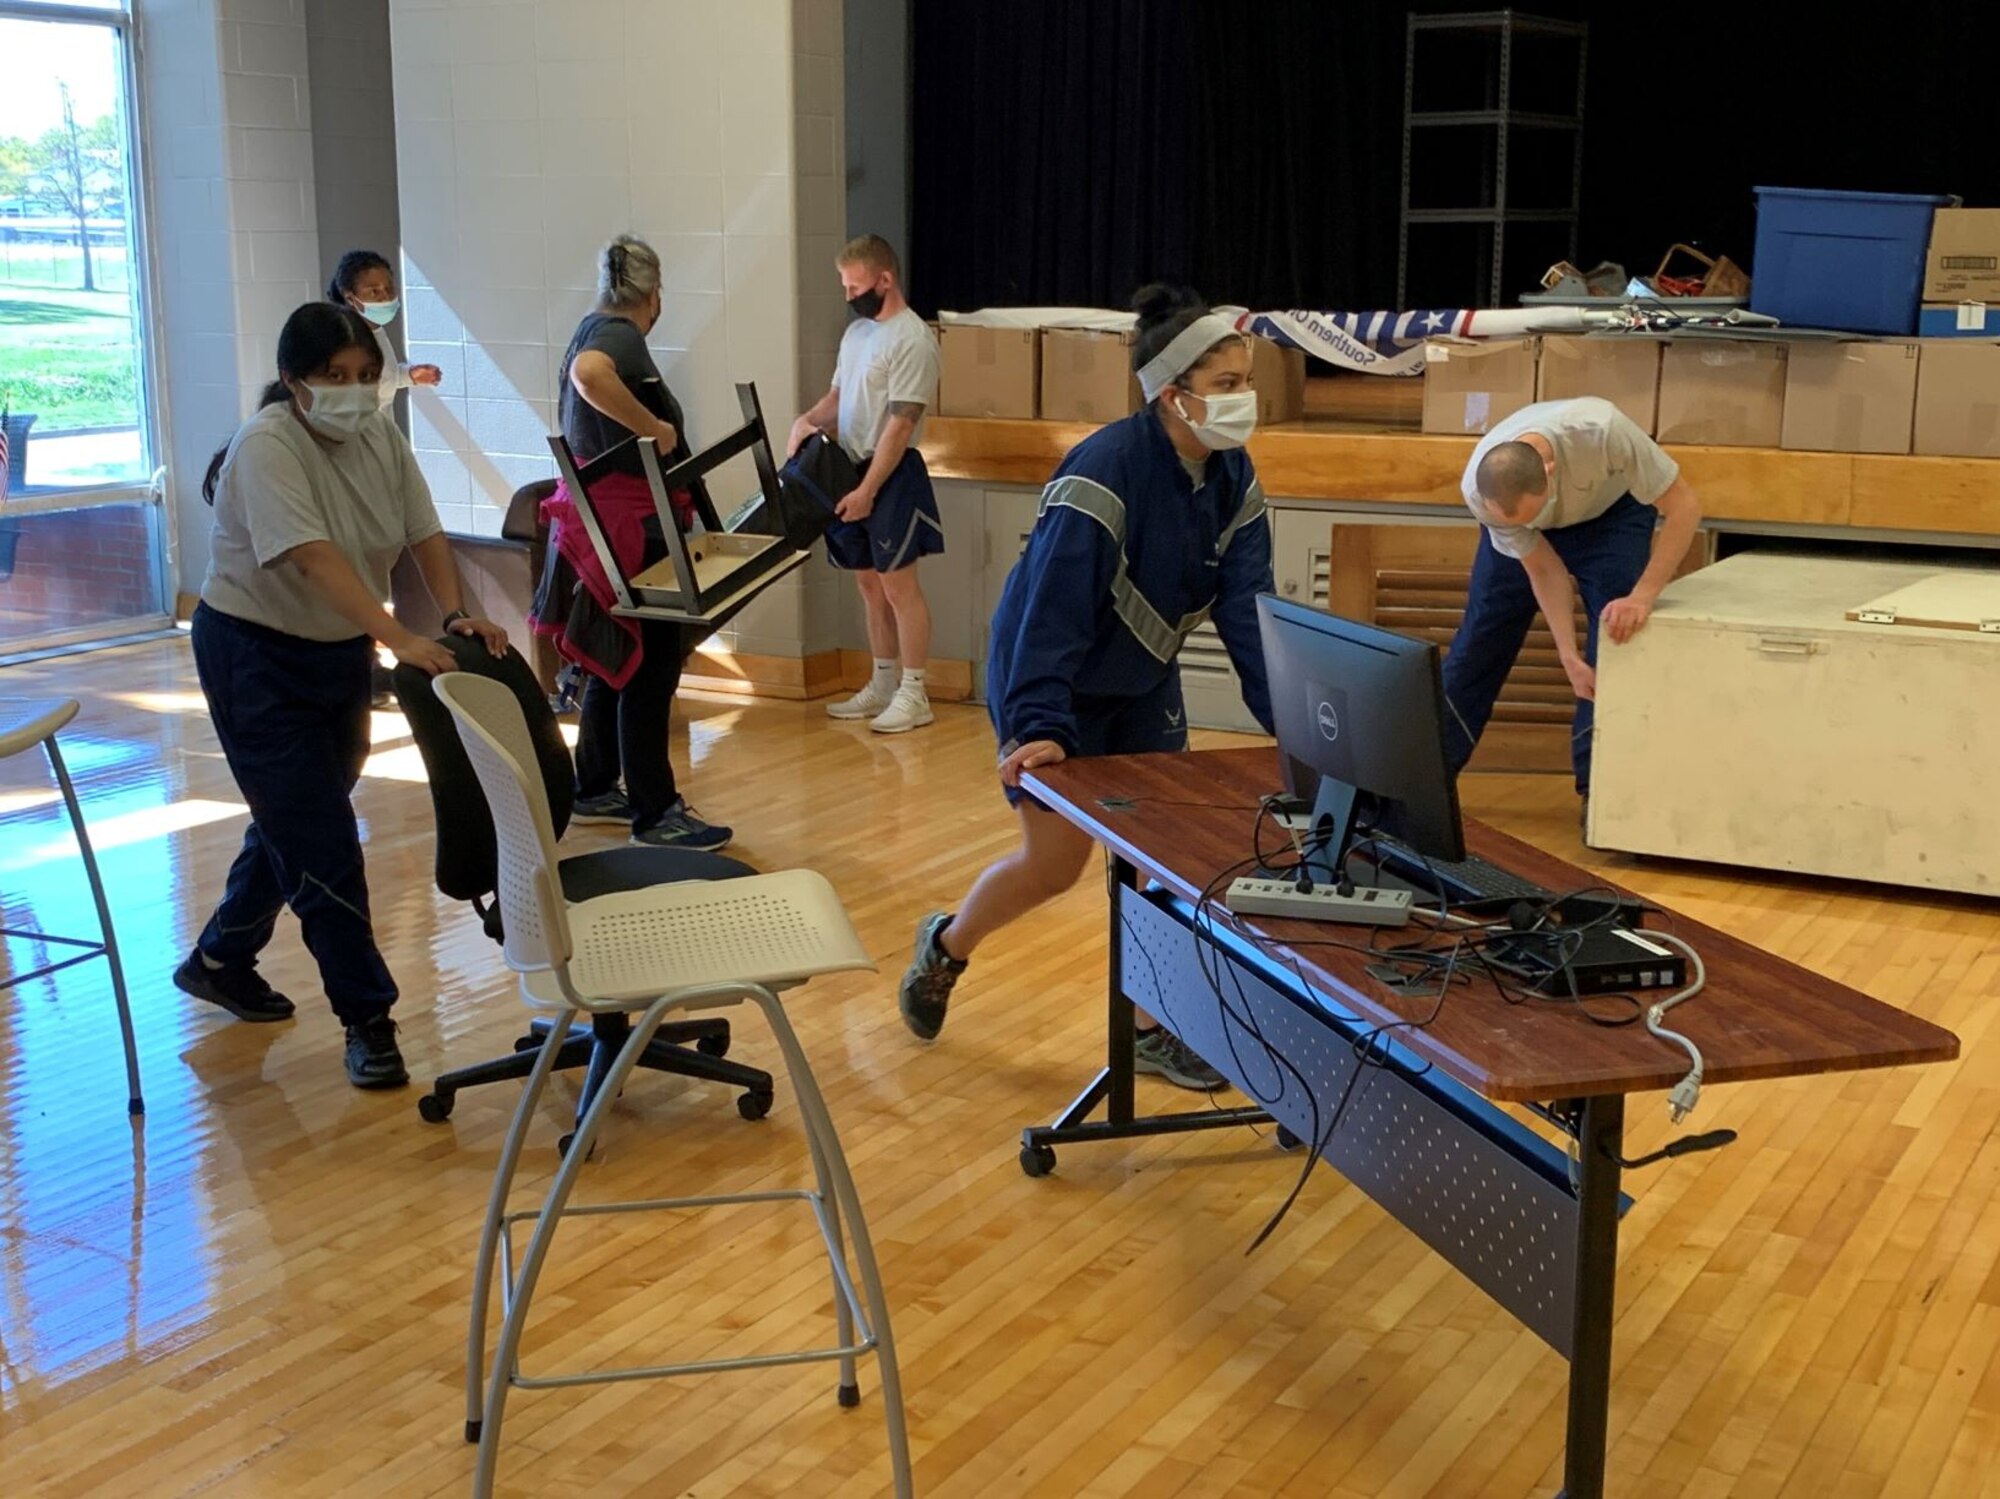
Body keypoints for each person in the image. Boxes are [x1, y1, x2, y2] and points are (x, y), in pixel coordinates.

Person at [896, 286, 1275, 1091]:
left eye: (1248, 378)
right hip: (1051, 677)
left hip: (1140, 684)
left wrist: (1298, 729)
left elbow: (1250, 618)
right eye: (1227, 382)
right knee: (1056, 863)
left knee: (1162, 860)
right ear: (1173, 395)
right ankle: (947, 945)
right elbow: (1049, 613)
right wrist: (1037, 722)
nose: (1245, 398)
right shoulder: (1104, 470)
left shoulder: (1234, 479)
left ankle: (1150, 1026)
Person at [179, 302, 507, 1088]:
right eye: (334, 378)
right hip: (253, 654)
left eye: (365, 377)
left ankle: (222, 955)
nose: (354, 392)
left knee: (300, 814)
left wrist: (455, 611)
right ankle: (368, 1018)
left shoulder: (378, 438)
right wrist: (400, 640)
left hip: (336, 651)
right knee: (323, 836)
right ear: (295, 382)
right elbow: (316, 559)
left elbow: (424, 532)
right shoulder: (267, 447)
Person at [528, 234, 732, 851]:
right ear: (654, 293)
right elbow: (588, 375)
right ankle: (656, 810)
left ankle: (592, 786)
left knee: (617, 658)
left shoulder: (592, 323)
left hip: (604, 520)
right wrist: (655, 428)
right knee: (650, 665)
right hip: (629, 525)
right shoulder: (618, 337)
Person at [1441, 396, 1702, 809]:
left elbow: (1685, 507)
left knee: (1616, 637)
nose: (1529, 526)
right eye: (1517, 523)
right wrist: (1566, 655)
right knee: (1479, 640)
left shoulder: (1604, 431)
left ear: (1550, 471)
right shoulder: (1481, 489)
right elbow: (1544, 570)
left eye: (1532, 515)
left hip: (1611, 514)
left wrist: (1643, 596)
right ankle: (1421, 787)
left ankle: (1600, 796)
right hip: (1529, 533)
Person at [787, 234, 943, 735]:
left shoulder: (912, 338)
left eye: (856, 286)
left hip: (890, 474)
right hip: (849, 468)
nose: (850, 296)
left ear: (885, 279)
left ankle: (914, 692)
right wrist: (806, 420)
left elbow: (900, 423)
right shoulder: (856, 336)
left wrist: (870, 490)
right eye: (845, 287)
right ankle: (880, 682)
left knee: (900, 586)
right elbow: (838, 395)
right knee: (868, 583)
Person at [326, 249, 442, 410]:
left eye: (389, 288)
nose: (386, 297)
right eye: (374, 291)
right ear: (351, 297)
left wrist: (408, 376)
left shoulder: (374, 332)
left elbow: (381, 379)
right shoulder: (344, 343)